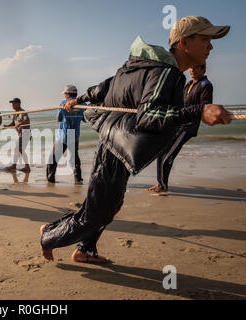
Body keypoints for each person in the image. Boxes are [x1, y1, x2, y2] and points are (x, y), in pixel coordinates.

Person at [40, 16, 231, 264]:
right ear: (184, 42)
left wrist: (81, 98)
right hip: (117, 146)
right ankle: (48, 236)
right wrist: (198, 111)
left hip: (114, 143)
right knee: (96, 213)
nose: (211, 46)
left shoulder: (142, 64)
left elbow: (107, 86)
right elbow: (148, 116)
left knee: (107, 205)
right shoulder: (168, 73)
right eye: (205, 39)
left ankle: (85, 250)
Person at [148, 63, 213, 193]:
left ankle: (163, 187)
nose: (192, 70)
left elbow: (205, 106)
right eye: (191, 67)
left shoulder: (206, 85)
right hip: (178, 123)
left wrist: (185, 112)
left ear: (203, 69)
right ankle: (161, 184)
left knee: (169, 156)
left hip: (190, 126)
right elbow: (179, 102)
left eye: (195, 67)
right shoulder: (188, 84)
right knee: (161, 153)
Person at [46, 85, 85, 184]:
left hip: (64, 134)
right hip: (75, 134)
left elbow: (59, 118)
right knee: (74, 157)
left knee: (53, 158)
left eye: (65, 93)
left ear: (67, 94)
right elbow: (84, 119)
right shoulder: (83, 104)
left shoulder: (63, 103)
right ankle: (78, 178)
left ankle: (50, 179)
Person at [4, 98, 31, 173]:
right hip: (20, 134)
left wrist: (19, 123)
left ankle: (22, 166)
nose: (12, 105)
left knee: (19, 149)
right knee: (19, 149)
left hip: (25, 132)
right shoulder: (15, 113)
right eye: (12, 104)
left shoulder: (22, 112)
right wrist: (7, 126)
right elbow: (13, 123)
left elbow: (26, 120)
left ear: (19, 104)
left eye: (14, 103)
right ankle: (20, 166)